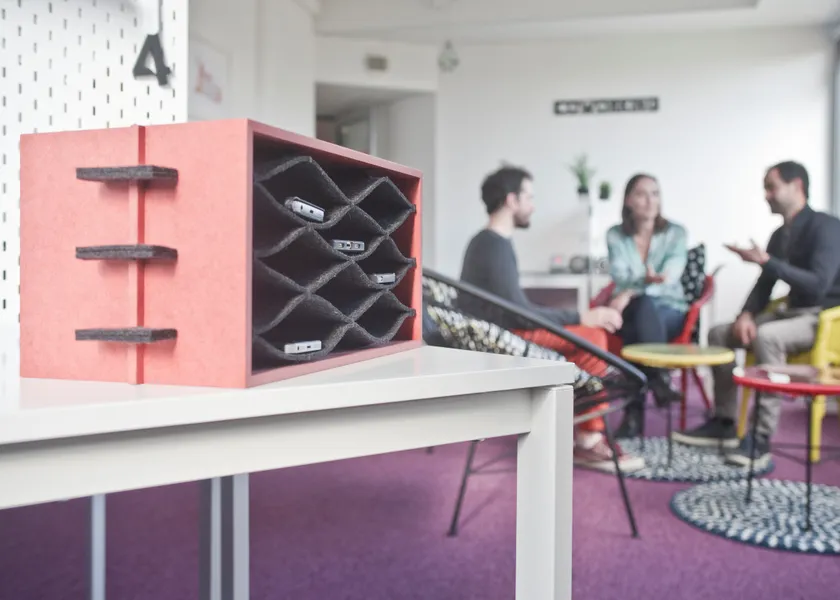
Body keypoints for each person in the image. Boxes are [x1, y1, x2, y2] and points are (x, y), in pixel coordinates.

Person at [460, 165, 644, 473]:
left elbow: (515, 307)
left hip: (502, 331)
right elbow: (517, 312)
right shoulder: (492, 244)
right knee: (593, 337)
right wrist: (581, 315)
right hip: (499, 340)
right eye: (529, 197)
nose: (533, 205)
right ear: (512, 200)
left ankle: (580, 430)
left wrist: (576, 318)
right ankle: (587, 438)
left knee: (589, 340)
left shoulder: (490, 242)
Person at [672, 161, 840, 468]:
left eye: (771, 187)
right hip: (791, 313)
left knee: (766, 337)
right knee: (719, 333)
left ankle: (760, 438)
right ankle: (724, 421)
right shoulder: (779, 235)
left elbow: (818, 285)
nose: (766, 195)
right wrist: (746, 315)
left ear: (797, 186)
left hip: (824, 318)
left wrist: (767, 262)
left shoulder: (827, 227)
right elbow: (765, 285)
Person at [606, 174, 688, 438]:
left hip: (670, 309)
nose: (650, 200)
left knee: (639, 319)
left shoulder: (676, 233)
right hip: (631, 310)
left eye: (655, 193)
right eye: (641, 194)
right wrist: (637, 288)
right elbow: (620, 275)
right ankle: (658, 377)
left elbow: (670, 277)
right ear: (628, 200)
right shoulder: (615, 235)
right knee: (640, 312)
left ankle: (634, 416)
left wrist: (631, 291)